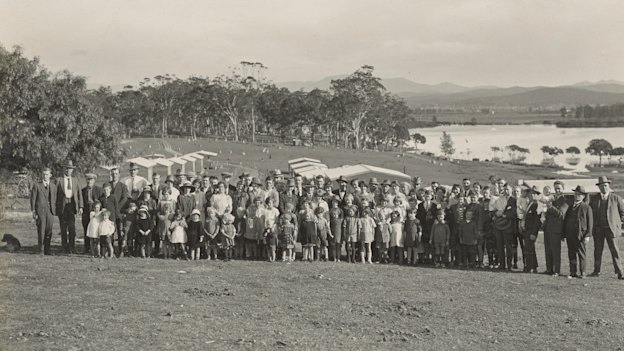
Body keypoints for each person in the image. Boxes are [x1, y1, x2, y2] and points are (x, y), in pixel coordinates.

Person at [589, 176, 624, 279]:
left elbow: (622, 213)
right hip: (598, 230)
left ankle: (620, 272)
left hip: (611, 230)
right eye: (601, 186)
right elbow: (590, 214)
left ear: (608, 186)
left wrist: (617, 224)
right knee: (597, 251)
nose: (604, 188)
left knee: (615, 251)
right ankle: (596, 271)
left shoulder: (616, 198)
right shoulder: (594, 199)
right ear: (599, 187)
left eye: (605, 185)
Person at [564, 185, 593, 279]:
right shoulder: (570, 207)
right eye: (576, 194)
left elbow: (590, 222)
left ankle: (583, 272)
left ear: (583, 196)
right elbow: (566, 221)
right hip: (570, 234)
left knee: (581, 253)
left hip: (581, 235)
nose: (577, 196)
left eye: (579, 194)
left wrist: (588, 235)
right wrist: (564, 233)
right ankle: (573, 272)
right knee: (571, 253)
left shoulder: (586, 207)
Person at [55, 160, 83, 254]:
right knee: (63, 228)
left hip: (72, 205)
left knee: (72, 228)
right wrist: (56, 207)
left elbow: (79, 194)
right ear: (64, 169)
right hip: (62, 206)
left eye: (70, 169)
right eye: (66, 168)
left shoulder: (75, 180)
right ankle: (64, 247)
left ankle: (72, 247)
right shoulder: (59, 180)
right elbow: (55, 195)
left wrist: (80, 206)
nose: (68, 170)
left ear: (72, 170)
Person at [542, 181, 569, 277]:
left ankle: (556, 270)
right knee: (547, 250)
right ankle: (549, 269)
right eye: (556, 188)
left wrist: (550, 206)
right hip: (547, 228)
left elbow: (560, 214)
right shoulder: (552, 198)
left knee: (555, 251)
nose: (557, 190)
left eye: (559, 188)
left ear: (563, 189)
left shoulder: (565, 200)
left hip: (556, 229)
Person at [30, 167, 57, 255]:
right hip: (40, 211)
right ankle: (40, 250)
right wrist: (34, 211)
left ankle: (47, 249)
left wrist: (54, 209)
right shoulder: (37, 185)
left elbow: (55, 198)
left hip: (50, 211)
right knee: (41, 230)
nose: (45, 176)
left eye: (47, 174)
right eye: (44, 174)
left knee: (49, 230)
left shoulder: (53, 186)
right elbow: (33, 199)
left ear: (50, 175)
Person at [81, 173, 102, 253]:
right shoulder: (83, 190)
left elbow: (101, 201)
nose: (89, 181)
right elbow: (81, 201)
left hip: (96, 214)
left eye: (91, 180)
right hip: (86, 213)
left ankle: (97, 248)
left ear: (94, 180)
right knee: (86, 230)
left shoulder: (98, 189)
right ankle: (87, 248)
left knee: (96, 229)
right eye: (88, 180)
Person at [523, 187, 542, 273]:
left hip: (531, 231)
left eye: (534, 194)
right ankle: (534, 266)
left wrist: (534, 233)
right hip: (527, 230)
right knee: (531, 249)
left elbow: (537, 221)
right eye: (531, 193)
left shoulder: (536, 205)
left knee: (528, 248)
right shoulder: (529, 204)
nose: (532, 195)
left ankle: (529, 267)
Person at [157, 188, 175, 259]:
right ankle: (164, 254)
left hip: (170, 223)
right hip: (163, 223)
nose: (166, 196)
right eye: (164, 194)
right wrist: (160, 216)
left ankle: (170, 253)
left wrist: (171, 215)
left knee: (170, 241)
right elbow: (158, 211)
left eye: (167, 194)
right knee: (163, 241)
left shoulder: (173, 202)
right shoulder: (161, 202)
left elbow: (174, 211)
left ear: (170, 194)